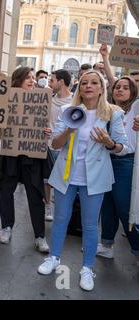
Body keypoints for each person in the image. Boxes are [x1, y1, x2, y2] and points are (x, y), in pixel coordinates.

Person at [37, 70, 128, 291]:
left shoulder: (113, 114)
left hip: (94, 178)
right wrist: (68, 130)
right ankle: (53, 258)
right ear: (80, 87)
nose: (88, 86)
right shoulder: (69, 111)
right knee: (60, 220)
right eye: (85, 82)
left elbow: (125, 147)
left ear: (101, 87)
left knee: (89, 225)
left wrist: (109, 143)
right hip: (66, 176)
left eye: (94, 82)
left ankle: (87, 268)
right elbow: (54, 145)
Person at [0, 67, 52, 254]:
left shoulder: (42, 101)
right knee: (6, 191)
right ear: (18, 80)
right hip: (10, 154)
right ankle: (6, 227)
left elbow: (47, 125)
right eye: (28, 78)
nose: (32, 81)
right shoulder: (5, 100)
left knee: (35, 195)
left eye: (34, 78)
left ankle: (40, 236)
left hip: (33, 156)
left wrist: (47, 132)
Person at [97, 76, 139, 264]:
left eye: (125, 87)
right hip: (106, 159)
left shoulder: (137, 107)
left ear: (133, 92)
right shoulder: (107, 109)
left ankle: (137, 249)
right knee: (107, 205)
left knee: (124, 208)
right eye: (117, 87)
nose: (120, 90)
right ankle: (106, 245)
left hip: (126, 162)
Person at [45, 69, 73, 221]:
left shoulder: (75, 102)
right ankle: (47, 206)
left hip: (65, 149)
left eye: (52, 80)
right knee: (46, 180)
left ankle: (62, 210)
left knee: (63, 181)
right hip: (48, 145)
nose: (49, 83)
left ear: (61, 82)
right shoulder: (48, 99)